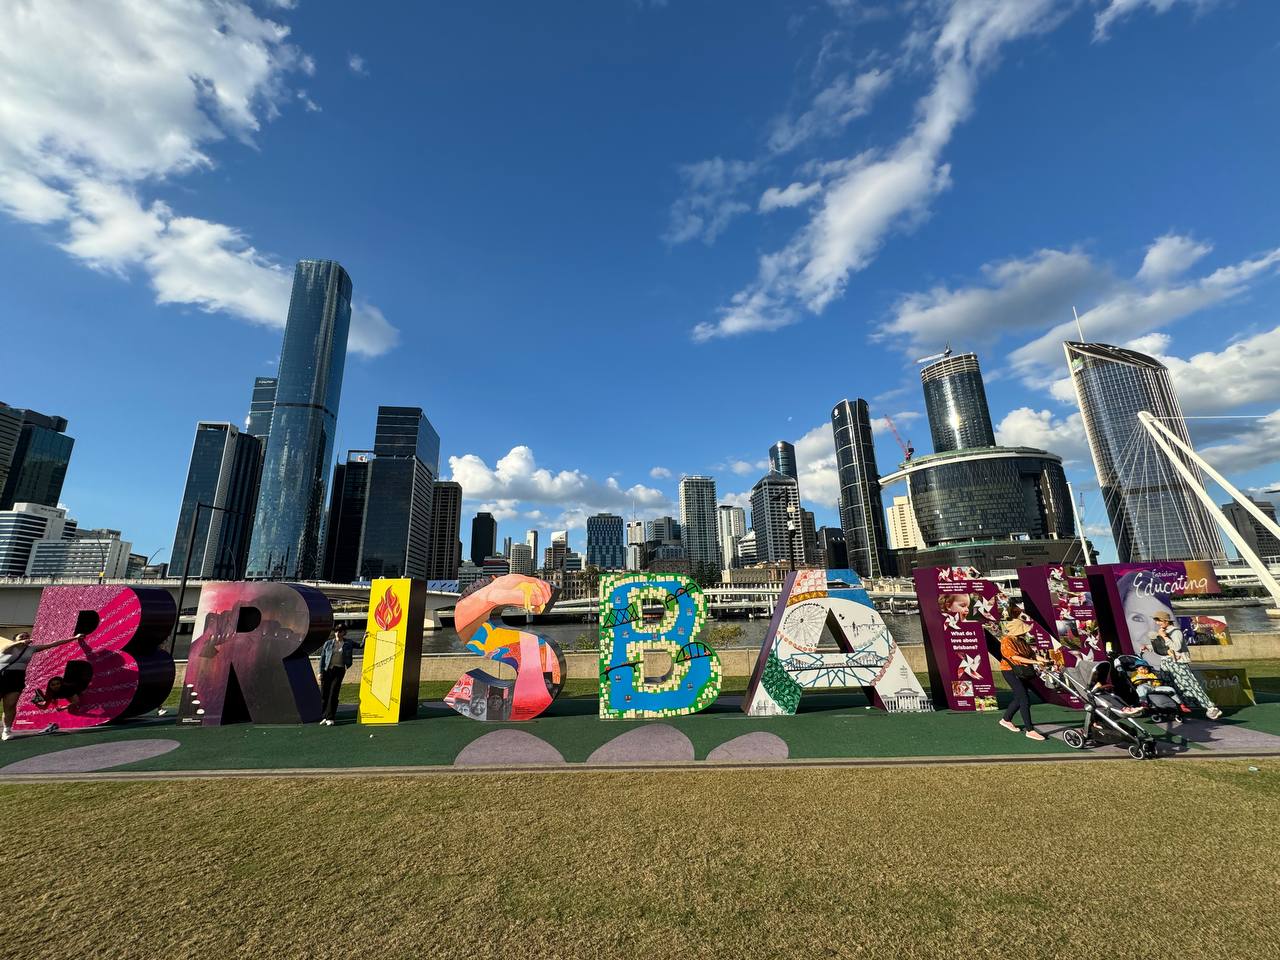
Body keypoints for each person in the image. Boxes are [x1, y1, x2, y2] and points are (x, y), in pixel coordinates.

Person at [0, 630, 87, 741]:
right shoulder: (9, 647)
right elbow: (5, 648)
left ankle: (6, 731)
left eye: (27, 636)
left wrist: (75, 638)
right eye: (21, 636)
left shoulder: (31, 649)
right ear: (15, 639)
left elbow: (53, 644)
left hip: (17, 678)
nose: (25, 638)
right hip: (2, 675)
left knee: (10, 705)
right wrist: (19, 643)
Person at [1142, 611, 1222, 720]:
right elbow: (1161, 646)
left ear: (1166, 621)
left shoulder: (1176, 632)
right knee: (1169, 686)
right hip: (1166, 663)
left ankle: (1211, 708)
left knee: (1190, 685)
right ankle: (1175, 708)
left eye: (1159, 620)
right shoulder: (1163, 631)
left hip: (1178, 663)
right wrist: (1148, 647)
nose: (1157, 623)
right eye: (1156, 621)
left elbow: (1176, 647)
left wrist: (1164, 637)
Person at [996, 618, 1050, 741]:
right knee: (1024, 698)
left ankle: (1006, 719)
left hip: (1022, 671)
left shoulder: (1021, 641)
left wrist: (1044, 660)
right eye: (1024, 630)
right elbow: (1015, 657)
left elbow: (1032, 654)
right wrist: (1035, 662)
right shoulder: (1006, 641)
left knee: (1019, 697)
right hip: (1010, 671)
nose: (1026, 632)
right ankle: (1030, 730)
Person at [317, 624, 363, 726]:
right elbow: (322, 658)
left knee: (334, 693)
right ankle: (324, 716)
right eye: (336, 631)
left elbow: (360, 646)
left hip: (339, 670)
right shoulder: (328, 643)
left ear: (344, 633)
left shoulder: (348, 643)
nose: (337, 633)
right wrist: (320, 672)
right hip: (327, 670)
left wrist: (365, 638)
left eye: (340, 631)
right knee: (324, 695)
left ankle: (330, 717)